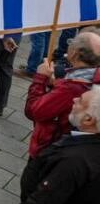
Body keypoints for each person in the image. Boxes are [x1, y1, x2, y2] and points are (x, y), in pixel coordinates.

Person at [0, 87, 100, 204]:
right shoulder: (84, 148)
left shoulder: (75, 160)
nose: (74, 100)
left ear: (89, 119)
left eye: (80, 101)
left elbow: (45, 200)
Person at [23, 29, 100, 158]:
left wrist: (40, 79)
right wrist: (56, 83)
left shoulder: (70, 88)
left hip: (48, 149)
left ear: (74, 53)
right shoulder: (92, 77)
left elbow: (33, 111)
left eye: (71, 42)